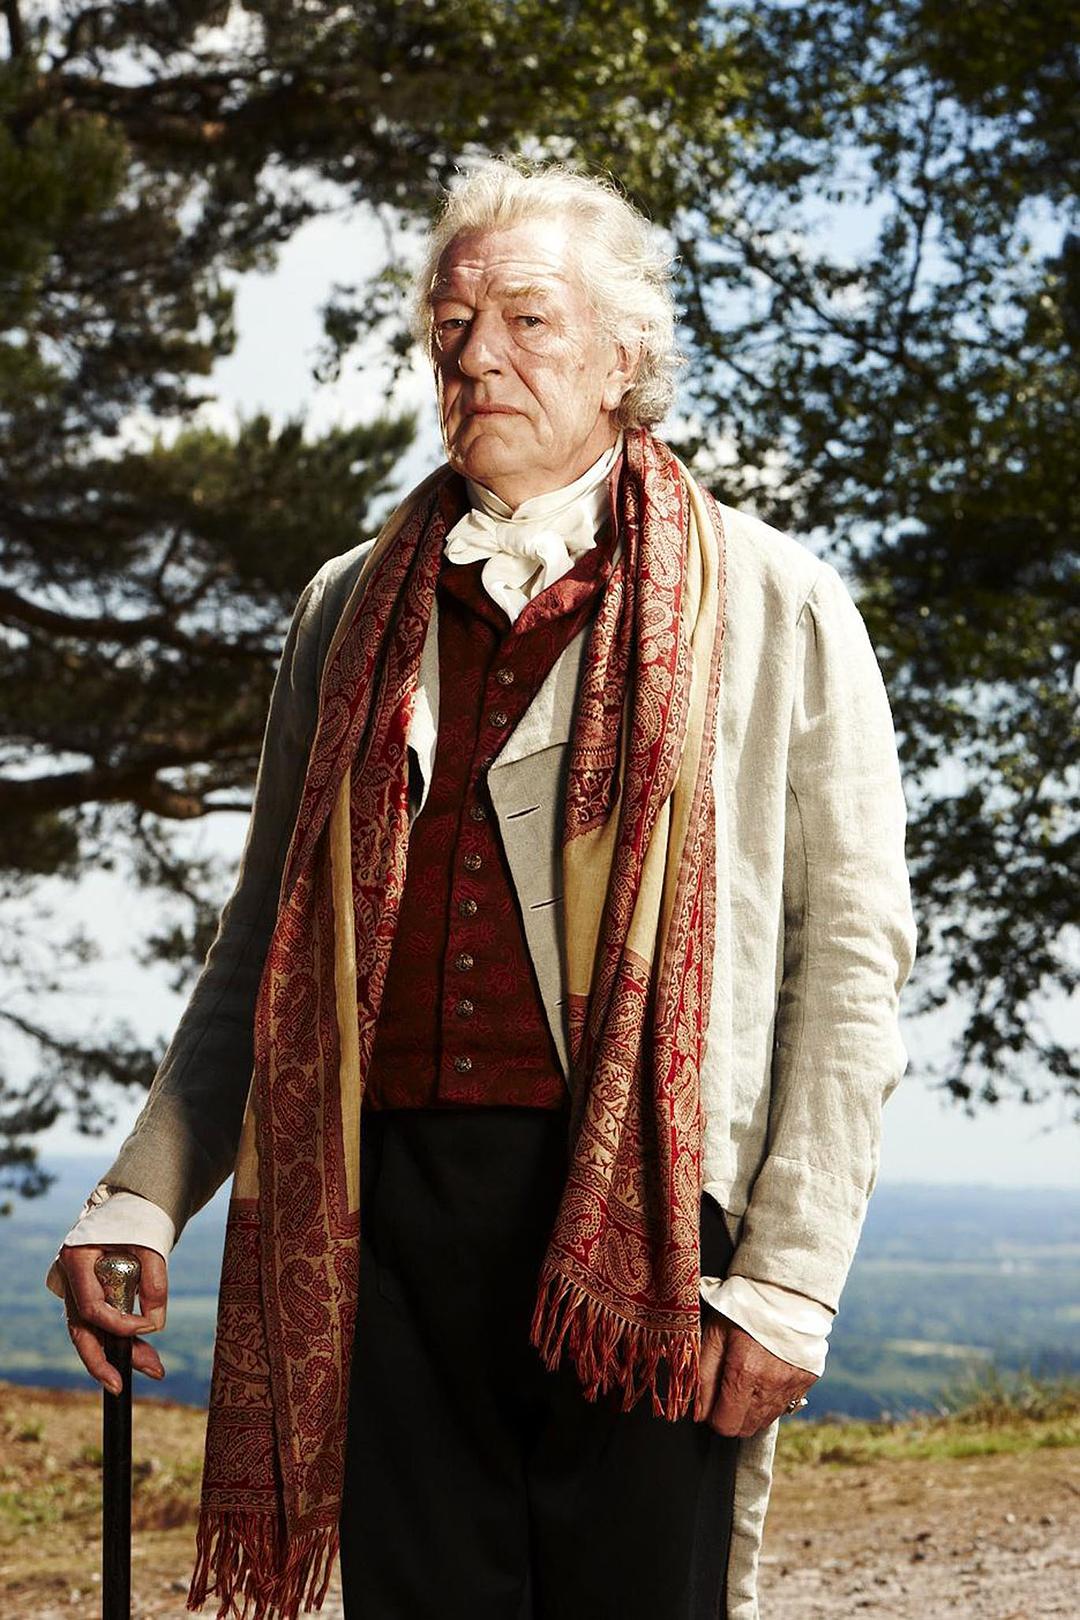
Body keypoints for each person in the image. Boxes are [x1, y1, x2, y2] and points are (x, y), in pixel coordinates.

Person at [47, 160, 917, 1620]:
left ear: (624, 356)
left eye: (526, 320)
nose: (478, 359)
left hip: (651, 1222)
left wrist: (789, 1279)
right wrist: (142, 1196)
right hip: (382, 1212)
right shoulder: (347, 606)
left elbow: (849, 962)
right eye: (451, 328)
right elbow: (268, 940)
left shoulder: (776, 602)